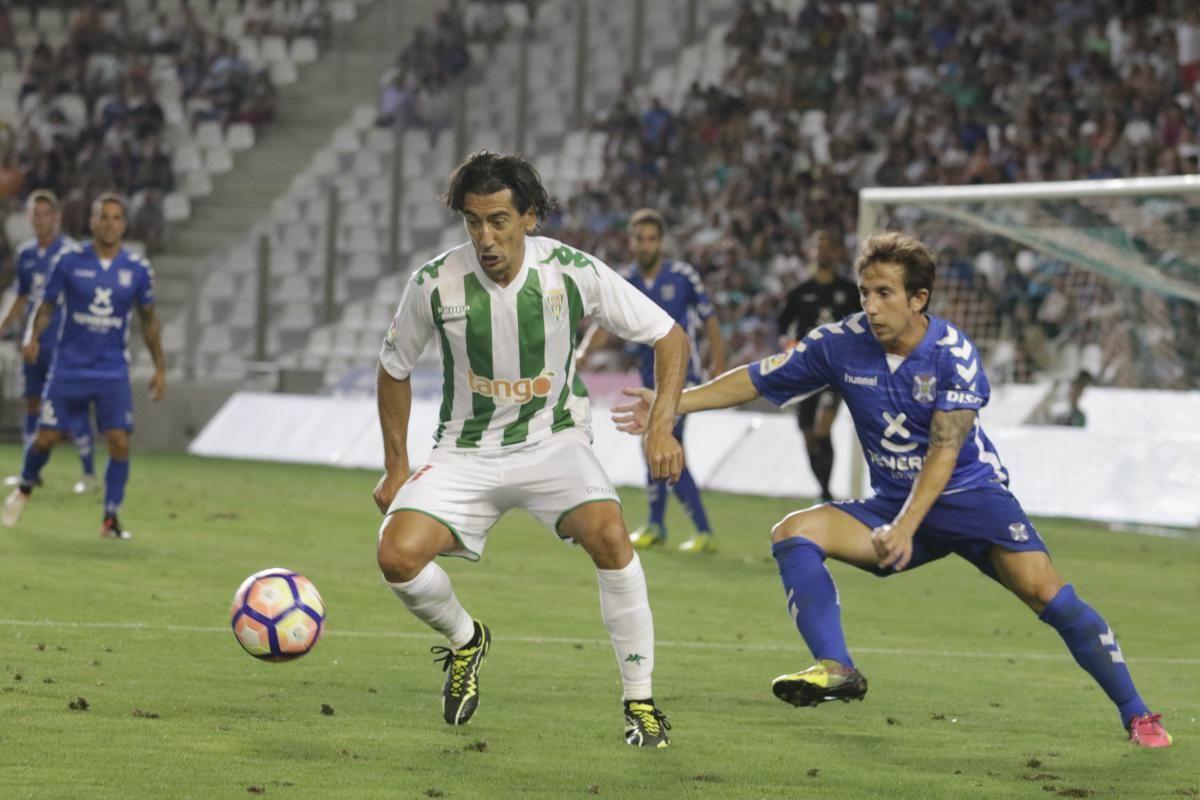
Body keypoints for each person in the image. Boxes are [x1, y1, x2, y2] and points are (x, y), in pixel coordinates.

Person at [613, 232, 1172, 748]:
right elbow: (758, 377)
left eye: (884, 293)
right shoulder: (840, 344)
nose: (870, 306)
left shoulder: (953, 355)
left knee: (1049, 597)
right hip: (892, 503)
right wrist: (672, 402)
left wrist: (905, 526)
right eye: (864, 292)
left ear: (918, 299)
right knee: (793, 533)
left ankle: (1138, 713)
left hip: (970, 499)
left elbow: (945, 453)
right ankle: (837, 668)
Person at [373, 152, 688, 747]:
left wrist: (662, 425)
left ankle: (640, 703)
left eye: (498, 221)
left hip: (553, 443)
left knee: (611, 535)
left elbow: (669, 335)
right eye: (473, 222)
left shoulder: (572, 271)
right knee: (396, 556)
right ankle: (467, 640)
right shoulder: (434, 282)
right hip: (464, 451)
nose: (486, 238)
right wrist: (396, 465)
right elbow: (393, 368)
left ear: (530, 218)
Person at [1, 193, 167, 540]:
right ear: (92, 222)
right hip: (69, 367)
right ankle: (26, 486)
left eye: (116, 218)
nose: (110, 223)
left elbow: (149, 320)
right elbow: (45, 306)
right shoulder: (69, 260)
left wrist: (159, 367)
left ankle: (110, 518)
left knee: (119, 442)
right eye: (103, 217)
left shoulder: (137, 269)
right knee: (46, 438)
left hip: (111, 370)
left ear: (124, 224)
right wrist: (32, 335)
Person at [580, 208, 725, 553]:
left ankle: (699, 530)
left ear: (661, 242)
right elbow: (604, 324)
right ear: (631, 242)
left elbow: (709, 319)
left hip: (682, 379)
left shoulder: (683, 275)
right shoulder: (626, 280)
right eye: (639, 239)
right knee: (655, 446)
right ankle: (661, 525)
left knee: (662, 443)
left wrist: (718, 361)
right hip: (649, 381)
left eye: (651, 239)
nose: (645, 246)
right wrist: (582, 353)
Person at [0, 189, 98, 493]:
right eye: (35, 213)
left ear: (56, 217)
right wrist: (3, 326)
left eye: (45, 213)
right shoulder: (27, 253)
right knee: (32, 403)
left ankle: (90, 474)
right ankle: (30, 474)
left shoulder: (71, 252)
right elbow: (22, 295)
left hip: (64, 343)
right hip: (34, 343)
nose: (40, 219)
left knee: (70, 407)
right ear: (29, 217)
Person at [776, 229, 858, 502]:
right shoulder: (800, 293)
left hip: (836, 373)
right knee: (808, 434)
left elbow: (861, 328)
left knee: (823, 427)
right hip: (805, 372)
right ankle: (823, 490)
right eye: (818, 246)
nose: (822, 251)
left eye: (827, 246)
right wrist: (789, 346)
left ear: (836, 253)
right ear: (811, 252)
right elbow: (783, 328)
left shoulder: (848, 291)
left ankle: (827, 494)